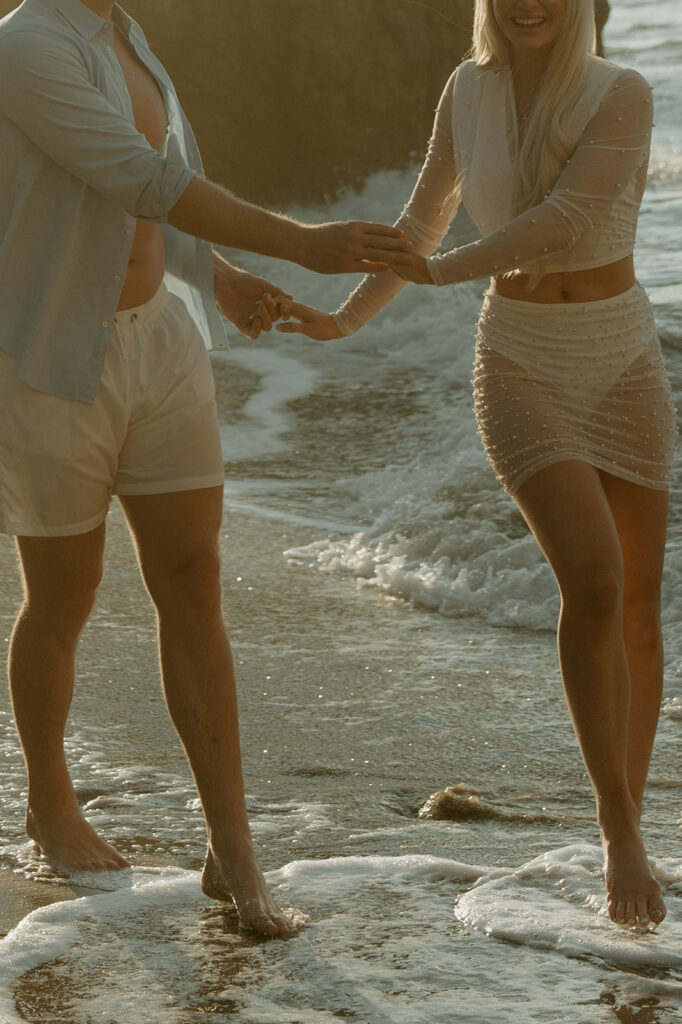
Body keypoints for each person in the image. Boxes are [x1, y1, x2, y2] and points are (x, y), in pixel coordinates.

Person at [0, 0, 413, 937]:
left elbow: (159, 197)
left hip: (164, 350)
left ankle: (235, 852)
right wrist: (302, 242)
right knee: (63, 594)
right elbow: (141, 178)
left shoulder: (128, 36)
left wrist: (217, 278)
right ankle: (49, 800)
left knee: (193, 582)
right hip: (56, 360)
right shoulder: (23, 45)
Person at [278, 0, 677, 930]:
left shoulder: (624, 93)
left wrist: (439, 272)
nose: (529, 3)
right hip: (522, 361)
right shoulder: (468, 89)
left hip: (621, 354)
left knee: (640, 605)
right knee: (594, 578)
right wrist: (341, 319)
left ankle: (632, 815)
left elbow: (565, 218)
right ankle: (620, 832)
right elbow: (421, 225)